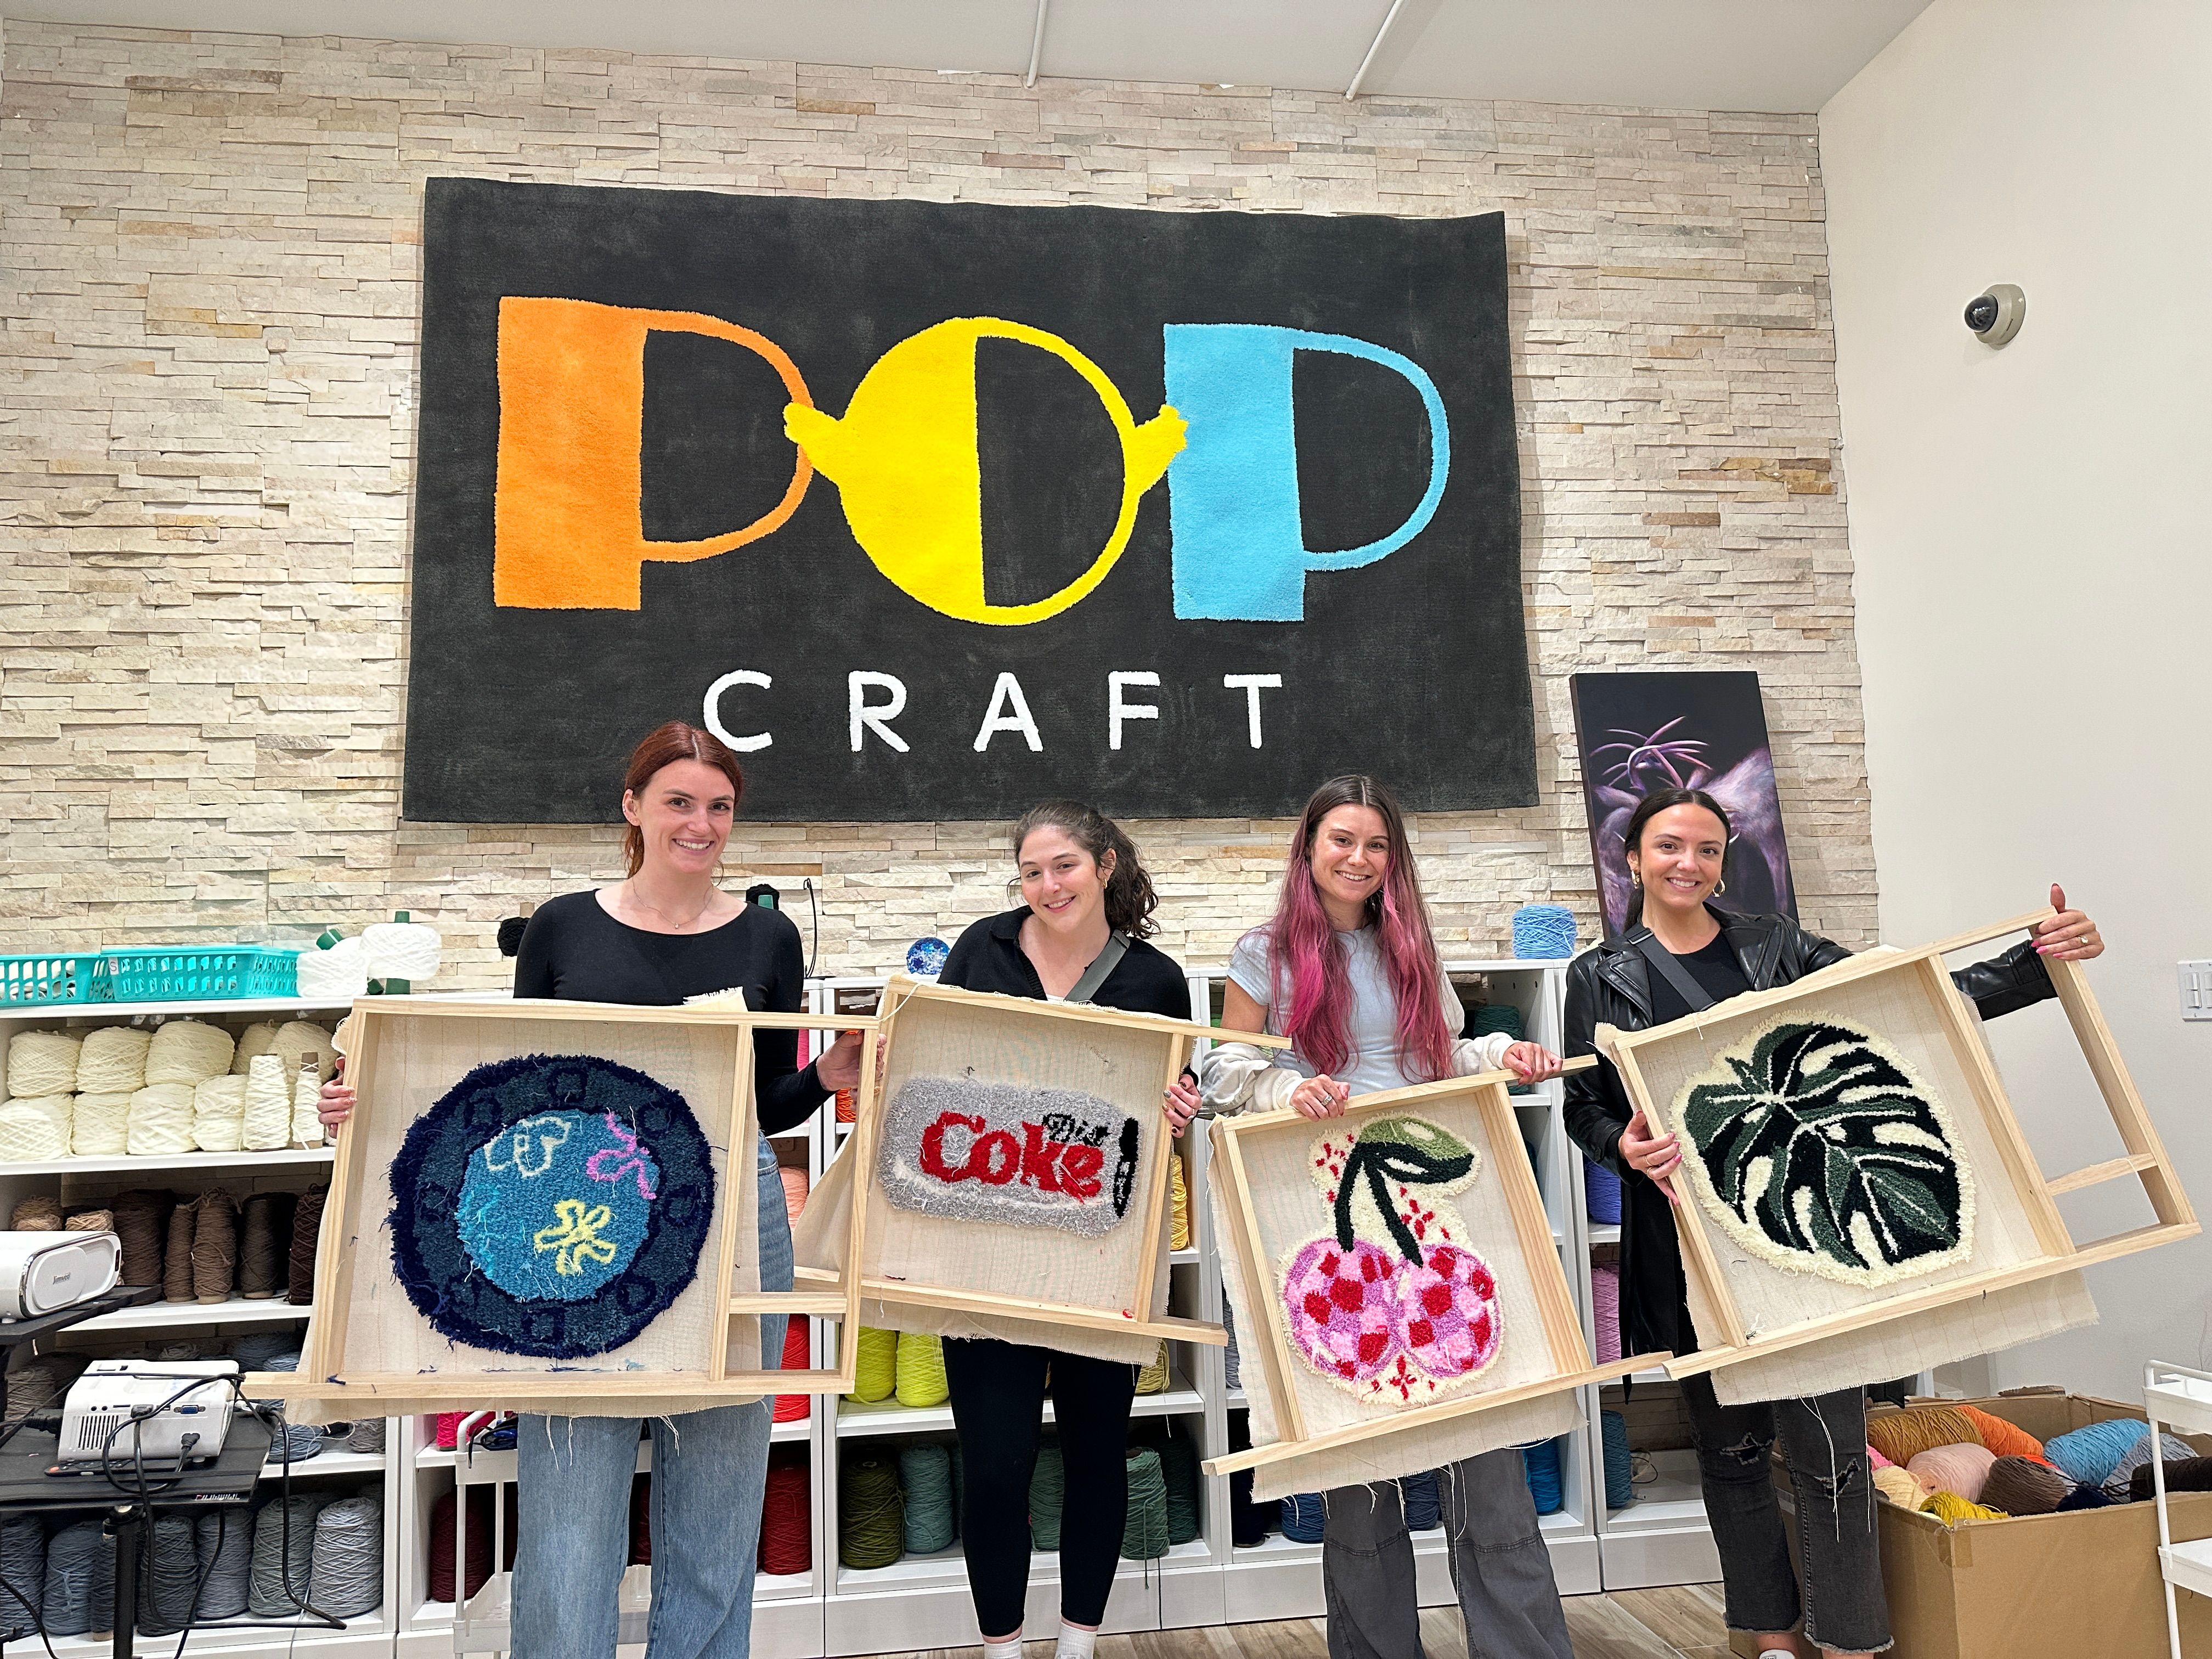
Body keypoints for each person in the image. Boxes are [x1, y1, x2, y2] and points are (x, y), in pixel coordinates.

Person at [320, 720, 861, 1659]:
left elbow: (765, 1104)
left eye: (719, 807)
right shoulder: (565, 925)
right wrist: (371, 1109)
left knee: (721, 1490)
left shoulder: (769, 938)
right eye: (679, 803)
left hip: (737, 1215)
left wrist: (828, 1075)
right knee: (571, 1491)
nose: (701, 825)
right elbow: (517, 1090)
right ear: (634, 808)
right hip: (582, 1223)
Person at [1561, 786, 2103, 1659]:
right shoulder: (1599, 976)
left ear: (1723, 860)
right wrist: (1619, 1145)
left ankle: (1852, 1642)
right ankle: (1770, 1641)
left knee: (1834, 1454)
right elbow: (1581, 1106)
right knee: (1731, 1458)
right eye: (1668, 847)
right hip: (1690, 1253)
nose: (1687, 864)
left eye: (1706, 848)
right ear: (1632, 858)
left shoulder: (1776, 947)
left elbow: (1906, 1000)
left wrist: (2035, 965)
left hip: (1809, 1247)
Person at [1198, 774, 1577, 1659]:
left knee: (1487, 1439)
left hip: (1434, 1202)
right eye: (1342, 841)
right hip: (1324, 1212)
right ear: (1309, 848)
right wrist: (1287, 1085)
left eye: (1376, 845)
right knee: (1358, 1463)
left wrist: (1503, 1052)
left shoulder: (1413, 946)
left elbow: (1437, 1057)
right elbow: (1221, 1072)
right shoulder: (1264, 952)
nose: (1359, 859)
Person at [933, 800, 1203, 1659]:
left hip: (1100, 1249)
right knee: (996, 1464)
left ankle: (1081, 1641)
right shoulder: (983, 950)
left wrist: (1181, 1109)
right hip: (986, 1247)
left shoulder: (1156, 980)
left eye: (1065, 867)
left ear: (1106, 866)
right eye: (1032, 872)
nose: (1048, 886)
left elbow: (1159, 1117)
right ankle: (1003, 1648)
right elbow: (943, 1071)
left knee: (1097, 1453)